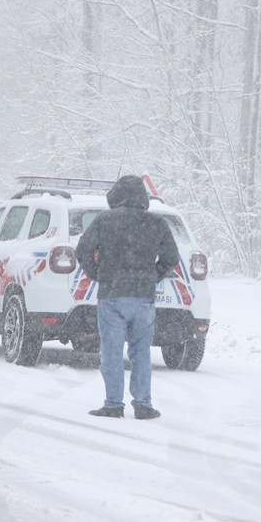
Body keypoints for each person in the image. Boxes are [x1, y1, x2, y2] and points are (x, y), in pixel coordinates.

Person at [76, 174, 179, 420]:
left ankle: (113, 404)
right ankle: (143, 404)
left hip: (112, 295)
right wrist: (153, 276)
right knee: (141, 352)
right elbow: (171, 258)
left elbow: (83, 250)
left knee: (111, 351)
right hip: (143, 297)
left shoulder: (104, 221)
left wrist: (97, 273)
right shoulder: (156, 223)